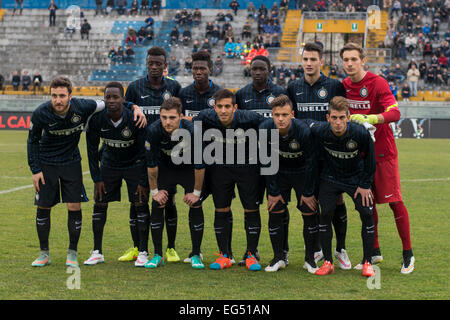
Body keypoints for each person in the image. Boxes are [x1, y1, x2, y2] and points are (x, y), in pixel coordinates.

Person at [27, 76, 146, 268]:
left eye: (62, 96)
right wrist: (35, 169)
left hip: (71, 162)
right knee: (44, 207)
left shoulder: (83, 106)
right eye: (54, 96)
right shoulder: (41, 113)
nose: (58, 100)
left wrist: (134, 107)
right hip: (47, 163)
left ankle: (72, 254)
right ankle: (44, 254)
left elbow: (113, 101)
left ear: (70, 96)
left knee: (74, 207)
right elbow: (32, 140)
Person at [340, 42, 415, 274]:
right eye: (346, 60)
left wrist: (372, 118)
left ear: (364, 61)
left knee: (394, 202)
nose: (350, 63)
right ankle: (374, 251)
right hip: (359, 156)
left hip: (383, 154)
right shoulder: (342, 86)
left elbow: (395, 112)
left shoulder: (378, 83)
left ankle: (408, 254)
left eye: (354, 59)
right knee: (366, 203)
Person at [287, 43, 350, 269]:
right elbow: (290, 118)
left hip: (329, 155)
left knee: (336, 200)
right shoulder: (293, 87)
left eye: (313, 59)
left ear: (321, 61)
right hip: (303, 156)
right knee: (310, 203)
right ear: (301, 61)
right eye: (305, 59)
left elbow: (343, 117)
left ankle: (340, 249)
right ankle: (315, 250)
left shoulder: (334, 86)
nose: (309, 63)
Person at [192, 89, 266, 271]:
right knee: (221, 208)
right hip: (220, 168)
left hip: (247, 167)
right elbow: (189, 125)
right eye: (219, 106)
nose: (223, 110)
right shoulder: (205, 117)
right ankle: (225, 254)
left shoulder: (250, 118)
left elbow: (269, 127)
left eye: (227, 106)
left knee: (251, 208)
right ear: (214, 107)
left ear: (235, 107)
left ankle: (251, 254)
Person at [124, 46, 182, 264]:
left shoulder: (174, 87)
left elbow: (180, 116)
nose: (155, 67)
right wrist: (132, 105)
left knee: (168, 201)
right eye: (151, 63)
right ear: (146, 63)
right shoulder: (135, 87)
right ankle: (139, 248)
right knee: (138, 201)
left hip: (167, 157)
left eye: (159, 63)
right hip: (138, 154)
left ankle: (171, 248)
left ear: (165, 65)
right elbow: (123, 107)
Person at [310, 96, 376, 278]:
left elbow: (371, 160)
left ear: (348, 117)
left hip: (355, 179)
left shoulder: (360, 133)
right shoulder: (321, 131)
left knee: (366, 213)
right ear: (327, 118)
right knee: (325, 214)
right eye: (334, 118)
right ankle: (328, 262)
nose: (337, 122)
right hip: (330, 178)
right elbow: (305, 124)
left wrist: (364, 185)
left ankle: (367, 262)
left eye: (341, 118)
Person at [84, 82, 149, 266]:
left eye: (115, 97)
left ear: (123, 99)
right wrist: (96, 178)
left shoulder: (136, 119)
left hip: (133, 165)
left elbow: (144, 153)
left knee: (140, 203)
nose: (111, 100)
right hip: (109, 165)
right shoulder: (96, 119)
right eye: (108, 97)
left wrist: (143, 181)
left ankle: (143, 251)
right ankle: (97, 251)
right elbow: (90, 150)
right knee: (100, 203)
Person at [145, 97, 206, 269]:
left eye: (172, 117)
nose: (167, 121)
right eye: (164, 117)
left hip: (188, 168)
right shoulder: (154, 130)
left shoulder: (193, 131)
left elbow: (200, 165)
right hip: (165, 168)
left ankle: (195, 254)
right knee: (158, 203)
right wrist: (154, 191)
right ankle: (157, 255)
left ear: (180, 116)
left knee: (196, 204)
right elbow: (151, 165)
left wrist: (196, 193)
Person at [259, 95, 317, 272]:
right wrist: (273, 191)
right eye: (277, 115)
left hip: (301, 173)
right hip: (279, 173)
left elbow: (311, 163)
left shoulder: (303, 131)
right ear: (272, 115)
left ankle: (310, 260)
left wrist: (308, 192)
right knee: (275, 211)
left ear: (292, 114)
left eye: (284, 114)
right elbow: (266, 162)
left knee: (309, 211)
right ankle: (279, 257)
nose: (281, 119)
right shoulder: (265, 129)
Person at [179, 51, 221, 120]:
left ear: (210, 70)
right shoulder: (183, 93)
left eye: (202, 69)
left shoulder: (219, 94)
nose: (198, 72)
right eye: (195, 69)